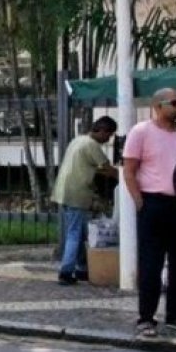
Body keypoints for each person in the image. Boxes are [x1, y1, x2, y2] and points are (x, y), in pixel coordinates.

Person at [122, 87, 176, 339]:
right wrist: (139, 202)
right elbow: (129, 169)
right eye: (174, 103)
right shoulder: (141, 132)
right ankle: (146, 318)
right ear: (157, 106)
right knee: (151, 264)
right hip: (153, 204)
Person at [51, 116, 118, 285]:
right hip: (77, 193)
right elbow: (107, 168)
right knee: (74, 233)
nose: (108, 139)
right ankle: (66, 272)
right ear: (102, 130)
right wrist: (125, 176)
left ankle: (82, 268)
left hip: (64, 191)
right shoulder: (92, 145)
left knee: (78, 231)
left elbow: (91, 167)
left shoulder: (78, 140)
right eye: (109, 135)